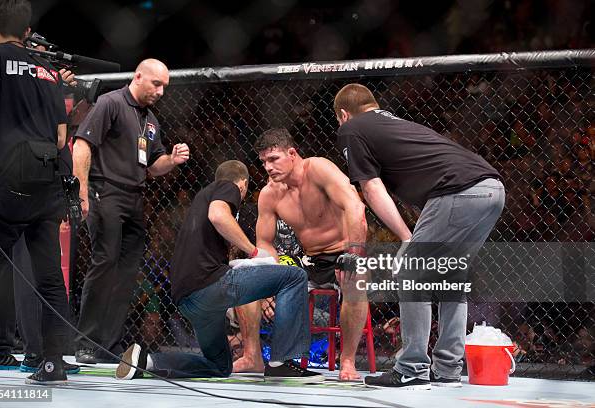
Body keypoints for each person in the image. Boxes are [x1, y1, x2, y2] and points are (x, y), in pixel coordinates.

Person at [334, 83, 505, 389]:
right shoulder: (394, 125)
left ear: (344, 114)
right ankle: (448, 368)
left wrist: (405, 236)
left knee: (410, 271)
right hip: (492, 188)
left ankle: (412, 367)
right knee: (450, 275)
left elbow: (372, 188)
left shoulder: (353, 128)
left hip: (457, 191)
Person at [116, 160, 324, 383]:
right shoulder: (228, 187)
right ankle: (282, 362)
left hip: (189, 300)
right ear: (243, 184)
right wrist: (254, 253)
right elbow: (218, 215)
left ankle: (146, 362)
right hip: (210, 284)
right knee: (294, 277)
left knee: (218, 366)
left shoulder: (200, 201)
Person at [72, 59, 190, 363]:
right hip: (106, 191)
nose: (161, 91)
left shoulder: (150, 120)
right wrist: (81, 189)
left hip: (135, 198)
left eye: (165, 86)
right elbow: (82, 144)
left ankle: (107, 344)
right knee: (105, 262)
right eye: (156, 84)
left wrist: (173, 160)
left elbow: (154, 166)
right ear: (138, 77)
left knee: (126, 273)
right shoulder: (110, 103)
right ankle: (86, 341)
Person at [233, 128, 368, 381]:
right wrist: (268, 287)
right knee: (247, 277)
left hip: (342, 251)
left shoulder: (318, 169)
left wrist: (354, 253)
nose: (268, 167)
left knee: (356, 278)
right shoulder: (269, 195)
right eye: (263, 162)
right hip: (307, 259)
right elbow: (264, 245)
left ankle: (347, 360)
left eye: (273, 159)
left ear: (292, 153)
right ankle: (253, 356)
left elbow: (355, 205)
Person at [0, 0, 71, 384]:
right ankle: (53, 362)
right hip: (44, 186)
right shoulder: (49, 71)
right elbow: (61, 135)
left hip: (1, 184)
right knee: (50, 278)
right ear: (27, 29)